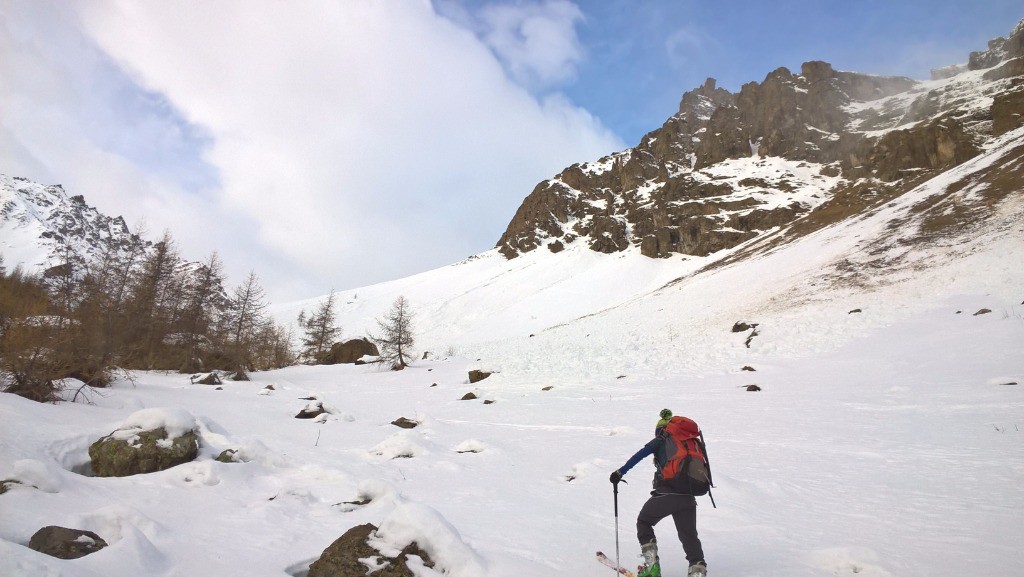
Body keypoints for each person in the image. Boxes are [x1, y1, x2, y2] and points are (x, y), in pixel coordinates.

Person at [610, 409, 708, 577]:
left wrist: (619, 473)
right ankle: (697, 570)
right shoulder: (690, 442)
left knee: (644, 522)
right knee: (689, 535)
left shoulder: (662, 439)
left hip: (667, 494)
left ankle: (652, 567)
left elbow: (639, 455)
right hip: (689, 497)